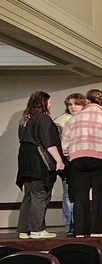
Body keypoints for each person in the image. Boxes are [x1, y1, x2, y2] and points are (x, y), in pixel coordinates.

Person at [62, 89, 102, 237]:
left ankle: (79, 230)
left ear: (87, 101)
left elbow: (65, 142)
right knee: (99, 193)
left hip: (78, 158)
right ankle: (98, 229)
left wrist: (71, 153)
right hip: (101, 159)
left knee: (80, 194)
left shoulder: (74, 119)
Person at [16, 91, 65, 239]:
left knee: (29, 195)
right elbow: (48, 143)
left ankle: (24, 230)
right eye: (48, 101)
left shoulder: (25, 119)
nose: (50, 104)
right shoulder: (43, 119)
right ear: (43, 102)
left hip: (25, 161)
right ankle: (37, 229)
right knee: (40, 194)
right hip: (39, 162)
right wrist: (59, 160)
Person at [54, 93, 86, 234]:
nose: (73, 107)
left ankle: (81, 224)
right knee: (68, 193)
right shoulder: (60, 121)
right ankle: (70, 226)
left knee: (81, 193)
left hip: (82, 159)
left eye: (76, 104)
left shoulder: (87, 118)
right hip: (67, 162)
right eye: (70, 104)